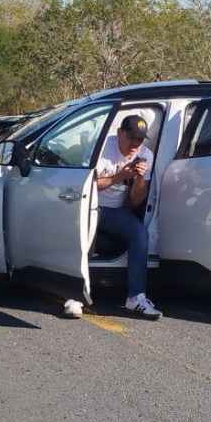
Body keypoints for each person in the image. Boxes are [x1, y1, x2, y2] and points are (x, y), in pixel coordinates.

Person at [94, 115, 161, 320]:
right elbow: (88, 186)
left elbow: (135, 201)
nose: (135, 145)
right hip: (91, 206)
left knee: (139, 233)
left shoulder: (145, 155)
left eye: (139, 140)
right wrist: (120, 176)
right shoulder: (103, 147)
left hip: (115, 211)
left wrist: (139, 178)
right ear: (119, 133)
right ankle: (74, 291)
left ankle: (136, 297)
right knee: (83, 232)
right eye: (131, 138)